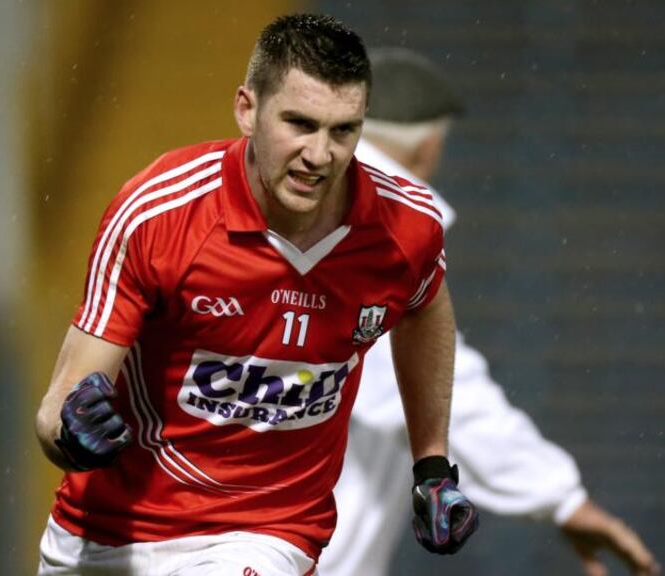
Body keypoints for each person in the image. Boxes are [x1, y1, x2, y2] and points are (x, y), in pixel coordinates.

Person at [34, 14, 480, 575]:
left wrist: (432, 464)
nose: (320, 155)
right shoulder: (157, 215)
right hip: (105, 534)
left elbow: (424, 306)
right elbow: (59, 409)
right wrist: (72, 433)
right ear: (247, 109)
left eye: (343, 131)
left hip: (264, 533)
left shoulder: (405, 226)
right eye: (299, 123)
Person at [318, 47, 660, 576]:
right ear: (428, 146)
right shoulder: (369, 232)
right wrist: (561, 497)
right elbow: (441, 392)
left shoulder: (305, 214)